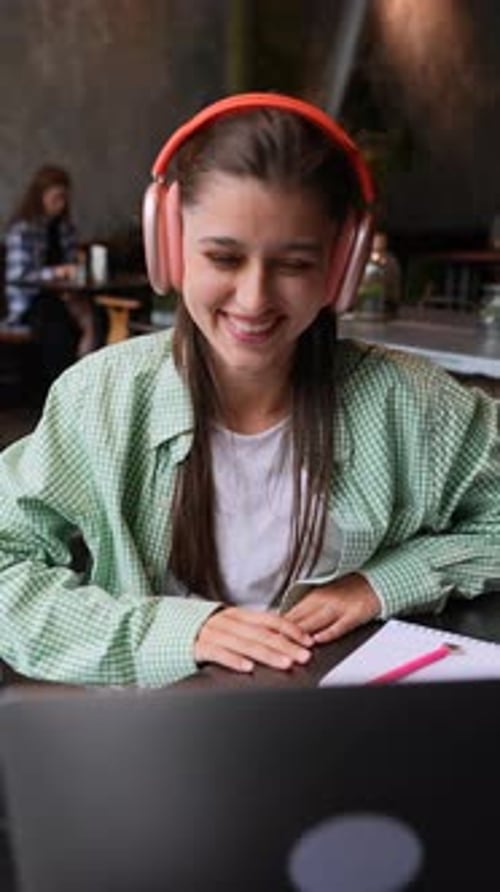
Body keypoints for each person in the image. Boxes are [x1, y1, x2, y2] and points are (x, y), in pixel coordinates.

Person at [0, 94, 499, 687]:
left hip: (345, 732)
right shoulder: (99, 400)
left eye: (293, 264)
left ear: (342, 267)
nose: (255, 298)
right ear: (170, 244)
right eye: (224, 257)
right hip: (159, 742)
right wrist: (176, 630)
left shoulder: (413, 404)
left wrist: (383, 583)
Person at [3, 165, 97, 391]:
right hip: (31, 301)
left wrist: (74, 273)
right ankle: (59, 391)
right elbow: (18, 275)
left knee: (98, 315)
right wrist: (56, 272)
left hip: (64, 295)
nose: (61, 204)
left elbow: (75, 262)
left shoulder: (64, 228)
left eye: (65, 198)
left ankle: (86, 385)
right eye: (56, 197)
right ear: (40, 196)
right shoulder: (23, 230)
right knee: (58, 326)